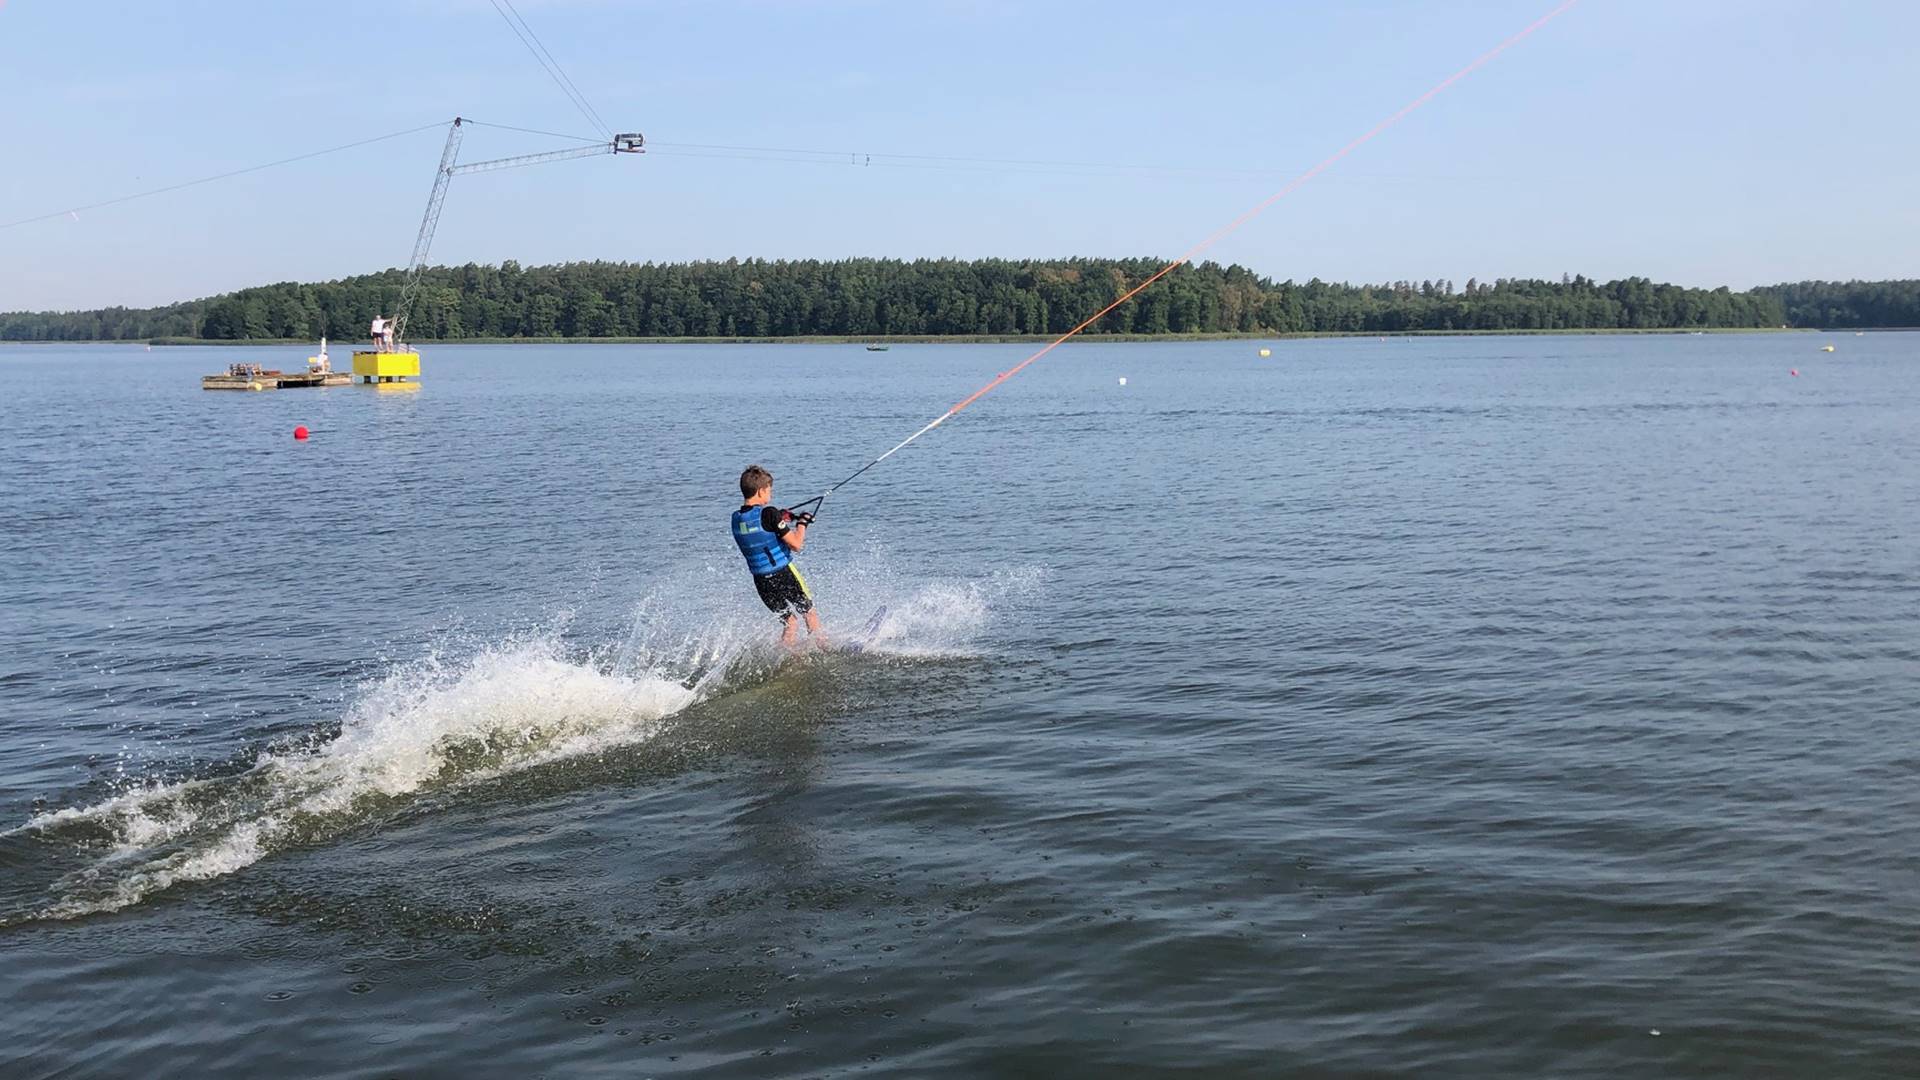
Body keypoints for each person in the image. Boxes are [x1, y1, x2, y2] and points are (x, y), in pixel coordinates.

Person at [731, 464, 824, 648]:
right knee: (808, 612)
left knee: (790, 622)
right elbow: (796, 544)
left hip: (761, 581)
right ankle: (825, 649)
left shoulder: (735, 518)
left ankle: (787, 658)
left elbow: (758, 528)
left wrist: (780, 518)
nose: (770, 495)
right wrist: (802, 523)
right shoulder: (770, 514)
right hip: (783, 574)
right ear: (760, 491)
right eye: (769, 490)